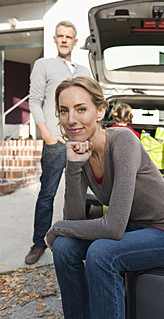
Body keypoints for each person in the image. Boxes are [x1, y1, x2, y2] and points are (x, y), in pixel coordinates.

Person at [44, 76, 164, 319]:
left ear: (100, 111)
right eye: (64, 111)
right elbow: (76, 219)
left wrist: (57, 227)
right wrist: (74, 166)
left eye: (81, 109)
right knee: (64, 247)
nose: (71, 120)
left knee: (101, 252)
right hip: (131, 230)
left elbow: (113, 228)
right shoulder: (80, 151)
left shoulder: (123, 141)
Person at [25, 21, 90, 265]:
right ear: (54, 39)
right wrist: (47, 134)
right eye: (60, 36)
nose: (64, 40)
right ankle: (39, 243)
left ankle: (77, 240)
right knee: (47, 193)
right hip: (56, 142)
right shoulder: (44, 65)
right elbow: (35, 100)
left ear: (75, 41)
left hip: (81, 142)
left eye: (69, 37)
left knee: (80, 194)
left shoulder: (84, 70)